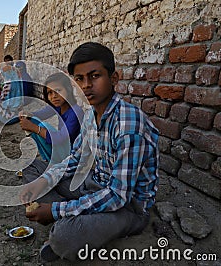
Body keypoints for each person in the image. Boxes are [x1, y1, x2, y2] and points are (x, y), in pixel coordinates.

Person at [20, 42, 159, 263]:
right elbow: (76, 159)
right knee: (33, 171)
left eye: (95, 76)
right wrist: (45, 180)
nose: (86, 86)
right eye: (79, 79)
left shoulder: (128, 125)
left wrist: (56, 210)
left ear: (113, 79)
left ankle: (66, 228)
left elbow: (118, 195)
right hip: (92, 186)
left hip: (127, 208)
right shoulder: (89, 115)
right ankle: (74, 219)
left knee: (65, 237)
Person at [19, 72, 84, 164]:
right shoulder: (58, 106)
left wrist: (35, 128)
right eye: (50, 93)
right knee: (33, 120)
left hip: (74, 154)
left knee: (42, 126)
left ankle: (57, 162)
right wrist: (29, 114)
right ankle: (48, 159)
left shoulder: (75, 112)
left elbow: (61, 138)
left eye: (58, 91)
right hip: (63, 148)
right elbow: (42, 113)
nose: (54, 96)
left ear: (68, 90)